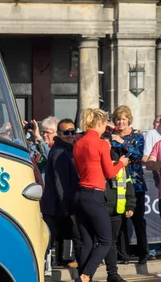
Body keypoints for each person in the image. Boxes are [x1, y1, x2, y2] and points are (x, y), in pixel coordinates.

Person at [73, 108, 129, 282]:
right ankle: (85, 276)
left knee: (87, 242)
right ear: (99, 123)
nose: (106, 128)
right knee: (105, 240)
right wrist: (121, 163)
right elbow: (111, 173)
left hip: (80, 194)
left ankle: (83, 276)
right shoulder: (101, 143)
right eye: (105, 124)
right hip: (95, 194)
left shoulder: (78, 143)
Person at [40, 119, 81, 269]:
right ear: (59, 134)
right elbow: (60, 183)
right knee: (48, 241)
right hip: (56, 207)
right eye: (66, 133)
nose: (70, 135)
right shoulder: (59, 152)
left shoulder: (68, 149)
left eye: (72, 132)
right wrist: (69, 210)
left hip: (62, 205)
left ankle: (79, 271)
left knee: (72, 238)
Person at [111, 105, 148, 264]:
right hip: (118, 183)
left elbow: (138, 154)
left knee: (138, 219)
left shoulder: (137, 136)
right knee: (120, 222)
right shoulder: (111, 135)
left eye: (123, 119)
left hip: (135, 183)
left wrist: (121, 141)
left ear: (129, 120)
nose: (120, 123)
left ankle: (143, 253)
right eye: (118, 119)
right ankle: (123, 254)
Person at [101, 131, 136, 282]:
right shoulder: (95, 161)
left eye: (108, 144)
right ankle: (85, 273)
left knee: (111, 242)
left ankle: (112, 273)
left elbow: (128, 185)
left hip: (116, 208)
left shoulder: (119, 162)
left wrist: (130, 205)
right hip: (99, 206)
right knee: (98, 241)